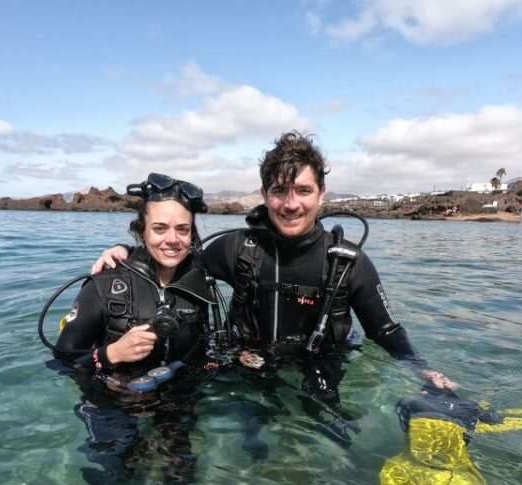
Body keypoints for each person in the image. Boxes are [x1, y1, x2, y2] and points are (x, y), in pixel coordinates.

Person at [93, 132, 455, 393]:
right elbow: (174, 255)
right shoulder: (238, 248)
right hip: (249, 369)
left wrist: (422, 369)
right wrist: (127, 253)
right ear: (265, 195)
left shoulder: (347, 263)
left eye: (303, 190)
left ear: (321, 195)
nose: (290, 203)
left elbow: (386, 330)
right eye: (280, 191)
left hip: (324, 366)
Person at [55, 173, 216, 379]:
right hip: (115, 403)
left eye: (182, 230)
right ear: (143, 232)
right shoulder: (103, 284)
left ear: (191, 235)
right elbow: (61, 361)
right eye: (160, 228)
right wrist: (111, 354)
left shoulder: (202, 276)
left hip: (184, 402)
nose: (172, 239)